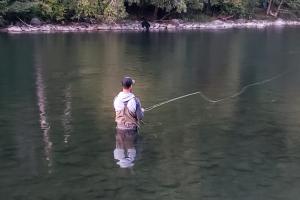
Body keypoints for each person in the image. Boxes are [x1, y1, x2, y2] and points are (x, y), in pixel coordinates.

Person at [113, 77, 144, 168]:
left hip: (119, 129)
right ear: (130, 86)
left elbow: (116, 110)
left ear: (122, 86)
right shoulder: (135, 100)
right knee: (132, 148)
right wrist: (142, 111)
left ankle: (123, 165)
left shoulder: (116, 99)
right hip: (131, 130)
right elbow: (140, 117)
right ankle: (128, 165)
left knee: (120, 148)